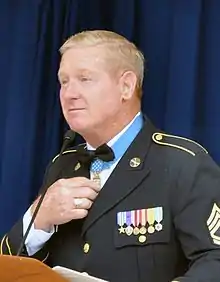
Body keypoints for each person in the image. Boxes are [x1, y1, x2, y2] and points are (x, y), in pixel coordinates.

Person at [1, 29, 220, 282]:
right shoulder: (63, 164)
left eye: (84, 79)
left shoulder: (182, 163)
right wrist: (38, 220)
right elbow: (9, 264)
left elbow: (215, 259)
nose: (69, 94)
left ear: (126, 86)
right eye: (64, 81)